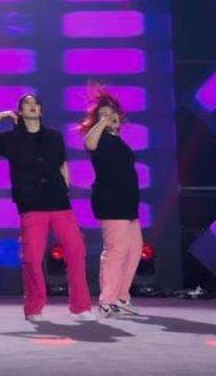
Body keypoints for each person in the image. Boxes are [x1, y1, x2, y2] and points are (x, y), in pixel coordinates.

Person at [0, 94, 93, 322]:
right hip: (31, 203)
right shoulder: (12, 139)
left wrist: (66, 190)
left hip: (58, 201)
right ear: (19, 111)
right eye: (27, 104)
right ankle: (34, 307)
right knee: (32, 258)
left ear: (41, 110)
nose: (32, 106)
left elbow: (62, 165)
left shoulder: (54, 137)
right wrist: (1, 116)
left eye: (36, 103)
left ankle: (81, 306)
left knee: (76, 250)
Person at [80, 88, 142, 317]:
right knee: (116, 251)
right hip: (111, 202)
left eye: (111, 112)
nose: (109, 116)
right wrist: (102, 123)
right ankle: (107, 301)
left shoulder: (118, 140)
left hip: (128, 203)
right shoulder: (100, 139)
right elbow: (88, 143)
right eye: (103, 114)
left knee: (134, 250)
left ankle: (121, 297)